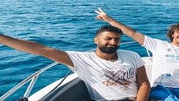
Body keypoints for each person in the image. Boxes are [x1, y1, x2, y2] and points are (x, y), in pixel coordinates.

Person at [0, 25, 150, 101]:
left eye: (117, 39)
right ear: (96, 40)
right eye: (108, 38)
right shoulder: (82, 60)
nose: (113, 42)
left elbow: (144, 83)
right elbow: (40, 49)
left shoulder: (132, 55)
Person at [95, 8, 179, 101]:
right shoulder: (159, 45)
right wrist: (109, 19)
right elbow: (132, 33)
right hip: (161, 88)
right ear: (172, 34)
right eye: (178, 32)